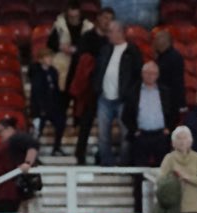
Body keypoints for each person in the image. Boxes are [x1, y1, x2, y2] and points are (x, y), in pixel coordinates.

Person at [91, 21, 143, 166]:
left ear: (120, 32)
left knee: (126, 133)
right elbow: (98, 70)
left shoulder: (132, 51)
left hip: (123, 100)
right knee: (103, 134)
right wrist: (97, 87)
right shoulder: (105, 49)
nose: (108, 34)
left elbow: (137, 75)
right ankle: (106, 162)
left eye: (110, 31)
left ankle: (124, 163)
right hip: (104, 98)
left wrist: (131, 95)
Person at [71, 7, 114, 165]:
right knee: (86, 122)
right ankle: (80, 154)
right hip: (89, 87)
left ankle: (103, 156)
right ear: (98, 18)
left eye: (110, 18)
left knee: (106, 125)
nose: (107, 21)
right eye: (104, 17)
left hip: (108, 86)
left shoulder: (111, 40)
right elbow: (81, 62)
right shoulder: (87, 37)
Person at [0, 118, 39, 213]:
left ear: (10, 129)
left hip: (6, 190)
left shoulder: (16, 138)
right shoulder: (5, 143)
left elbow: (33, 145)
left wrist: (27, 163)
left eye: (0, 131)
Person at [126, 62, 176, 168]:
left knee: (163, 169)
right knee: (139, 169)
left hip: (161, 135)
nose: (150, 76)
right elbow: (126, 114)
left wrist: (168, 129)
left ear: (157, 75)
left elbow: (173, 112)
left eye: (153, 73)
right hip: (141, 135)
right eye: (147, 73)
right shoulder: (133, 91)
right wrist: (134, 130)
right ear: (142, 74)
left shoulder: (166, 91)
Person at [47, 1, 92, 116]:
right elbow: (50, 43)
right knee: (62, 96)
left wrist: (76, 50)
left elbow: (91, 46)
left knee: (79, 96)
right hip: (63, 65)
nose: (73, 19)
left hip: (80, 65)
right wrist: (61, 47)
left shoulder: (88, 27)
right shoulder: (59, 24)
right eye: (71, 16)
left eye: (75, 16)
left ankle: (77, 123)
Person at [30, 48, 66, 155]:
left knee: (60, 124)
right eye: (47, 57)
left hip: (53, 106)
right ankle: (33, 152)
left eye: (51, 57)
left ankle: (57, 148)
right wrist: (40, 107)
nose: (50, 59)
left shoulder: (53, 71)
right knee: (37, 131)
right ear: (41, 59)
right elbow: (37, 92)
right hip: (40, 107)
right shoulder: (36, 72)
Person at [153, 30, 186, 123]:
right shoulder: (160, 57)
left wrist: (181, 103)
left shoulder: (175, 57)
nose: (154, 42)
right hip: (160, 99)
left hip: (171, 101)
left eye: (157, 40)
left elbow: (178, 82)